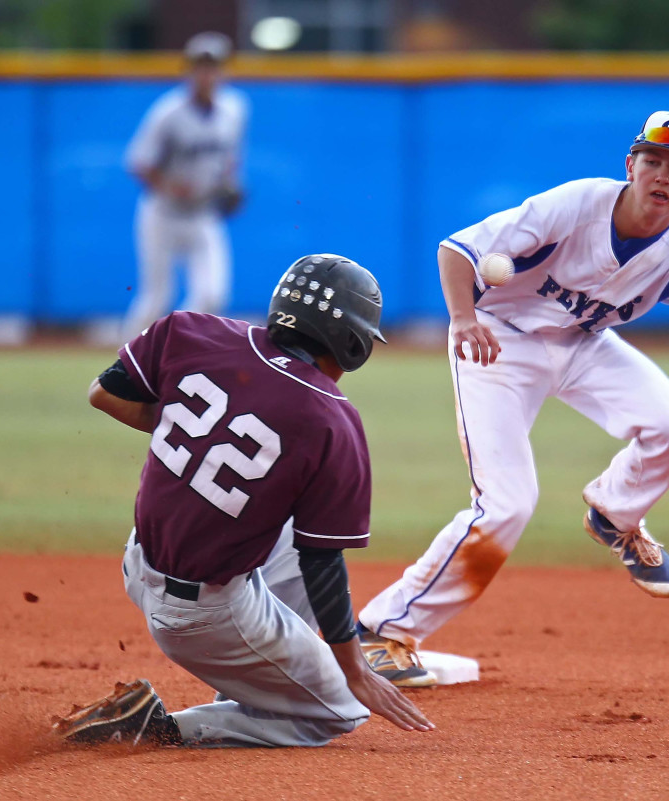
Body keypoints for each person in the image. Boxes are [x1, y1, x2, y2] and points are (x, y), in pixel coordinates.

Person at [354, 111, 669, 687]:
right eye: (654, 161)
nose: (663, 176)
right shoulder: (577, 205)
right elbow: (457, 250)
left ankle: (616, 515)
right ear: (631, 165)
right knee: (508, 504)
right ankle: (384, 631)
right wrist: (463, 318)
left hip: (583, 343)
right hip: (498, 340)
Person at [52, 254, 434, 747]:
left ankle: (257, 675)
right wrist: (355, 670)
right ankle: (162, 730)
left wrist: (200, 442)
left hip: (139, 562)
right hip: (204, 616)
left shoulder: (189, 330)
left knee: (290, 532)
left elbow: (104, 394)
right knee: (339, 711)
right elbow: (323, 561)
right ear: (352, 342)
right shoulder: (331, 419)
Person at [120, 31, 248, 343]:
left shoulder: (234, 108)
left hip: (203, 214)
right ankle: (124, 364)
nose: (207, 73)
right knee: (156, 298)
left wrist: (230, 186)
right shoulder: (168, 112)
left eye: (214, 66)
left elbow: (229, 157)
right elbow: (138, 162)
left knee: (213, 294)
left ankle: (174, 348)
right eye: (201, 66)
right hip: (162, 213)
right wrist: (169, 187)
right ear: (189, 71)